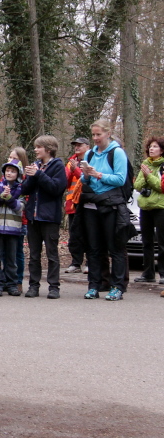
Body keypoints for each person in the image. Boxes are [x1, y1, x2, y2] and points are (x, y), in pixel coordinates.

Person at [78, 119, 131, 301]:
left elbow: (120, 179)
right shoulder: (90, 154)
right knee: (93, 247)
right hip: (91, 205)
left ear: (108, 134)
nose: (95, 138)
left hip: (111, 205)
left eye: (99, 134)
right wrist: (86, 175)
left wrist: (98, 174)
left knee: (115, 247)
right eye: (93, 135)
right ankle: (94, 285)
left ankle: (117, 287)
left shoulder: (117, 153)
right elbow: (84, 181)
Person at [20, 135, 67, 299]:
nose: (35, 150)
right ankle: (33, 286)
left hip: (50, 217)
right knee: (34, 255)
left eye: (38, 147)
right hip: (33, 217)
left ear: (48, 149)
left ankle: (54, 287)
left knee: (52, 254)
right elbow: (24, 189)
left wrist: (39, 174)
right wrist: (31, 176)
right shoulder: (35, 166)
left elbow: (56, 188)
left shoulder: (58, 166)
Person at [0, 160, 25, 296]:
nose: (9, 173)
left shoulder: (20, 189)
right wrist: (0, 197)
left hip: (13, 228)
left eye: (13, 171)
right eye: (7, 171)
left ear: (18, 174)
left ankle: (12, 284)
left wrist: (9, 198)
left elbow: (20, 207)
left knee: (11, 259)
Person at [132, 137, 164, 284]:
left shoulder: (162, 166)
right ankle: (148, 273)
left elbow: (160, 186)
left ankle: (162, 273)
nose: (151, 149)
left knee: (162, 241)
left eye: (155, 146)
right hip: (145, 207)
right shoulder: (145, 164)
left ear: (161, 150)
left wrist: (148, 176)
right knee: (147, 242)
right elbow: (137, 185)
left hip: (160, 207)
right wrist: (145, 177)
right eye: (150, 146)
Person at [64, 137, 91, 274]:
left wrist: (76, 170)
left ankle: (90, 262)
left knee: (89, 233)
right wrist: (72, 169)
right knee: (74, 234)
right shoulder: (71, 162)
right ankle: (76, 262)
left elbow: (88, 180)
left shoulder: (91, 160)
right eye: (75, 145)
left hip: (87, 202)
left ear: (87, 146)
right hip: (72, 204)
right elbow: (65, 182)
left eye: (80, 145)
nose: (77, 147)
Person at [8, 147, 28, 291]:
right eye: (9, 157)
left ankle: (18, 280)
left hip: (20, 220)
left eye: (14, 158)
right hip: (5, 220)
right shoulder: (5, 176)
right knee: (5, 252)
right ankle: (6, 279)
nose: (11, 160)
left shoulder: (25, 179)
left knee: (17, 251)